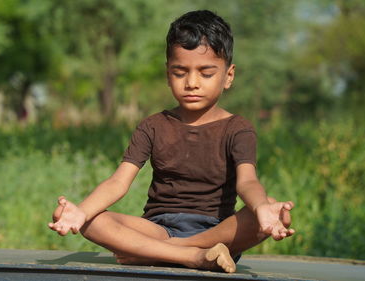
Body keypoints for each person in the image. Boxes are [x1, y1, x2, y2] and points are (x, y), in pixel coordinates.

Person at [48, 10, 295, 273]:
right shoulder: (152, 126)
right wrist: (80, 212)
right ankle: (193, 257)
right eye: (180, 72)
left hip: (216, 232)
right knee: (92, 220)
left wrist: (262, 209)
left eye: (206, 73)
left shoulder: (238, 129)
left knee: (272, 208)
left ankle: (161, 252)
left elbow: (248, 182)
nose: (192, 83)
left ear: (228, 76)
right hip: (157, 230)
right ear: (168, 74)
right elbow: (118, 182)